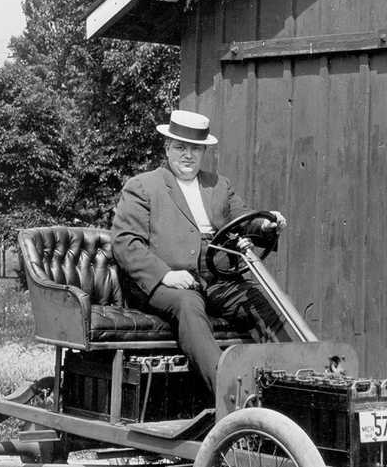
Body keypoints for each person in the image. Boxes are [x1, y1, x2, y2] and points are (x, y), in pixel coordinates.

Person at [112, 109, 286, 392]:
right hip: (164, 284)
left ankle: (288, 384)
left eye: (195, 148)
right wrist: (165, 275)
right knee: (188, 304)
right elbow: (125, 243)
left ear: (204, 152)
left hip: (216, 279)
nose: (188, 155)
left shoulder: (219, 185)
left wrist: (266, 225)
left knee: (258, 298)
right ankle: (229, 392)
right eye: (180, 147)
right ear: (167, 148)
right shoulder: (143, 186)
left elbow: (245, 219)